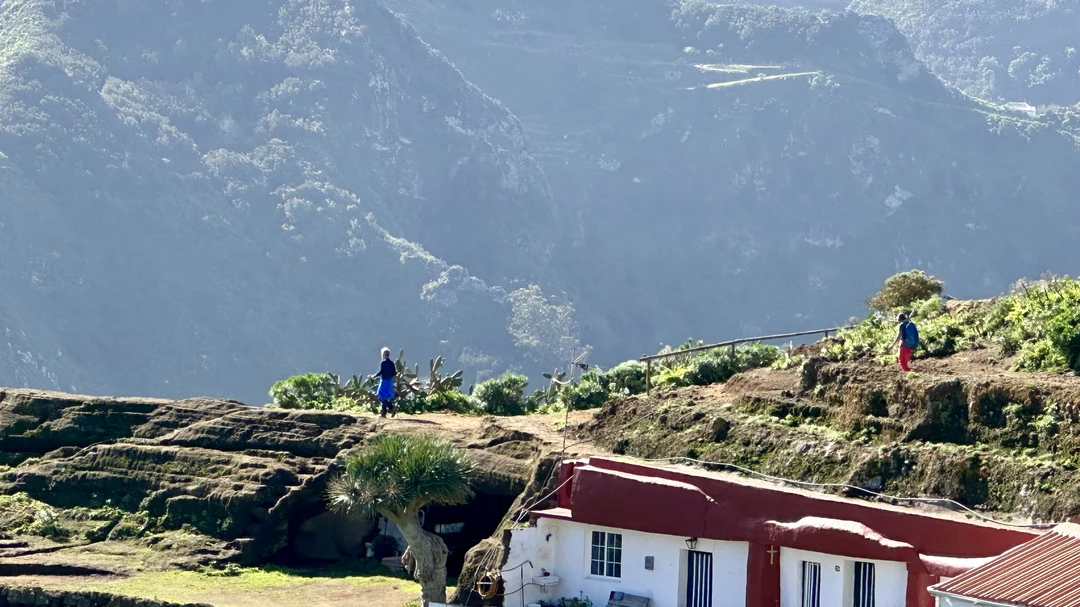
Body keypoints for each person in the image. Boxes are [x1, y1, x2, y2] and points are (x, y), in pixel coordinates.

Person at [376, 347, 397, 418]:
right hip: (390, 381)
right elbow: (394, 373)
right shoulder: (391, 363)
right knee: (385, 397)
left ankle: (391, 408)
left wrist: (374, 376)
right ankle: (383, 414)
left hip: (384, 381)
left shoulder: (383, 362)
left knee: (380, 394)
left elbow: (381, 372)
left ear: (384, 354)